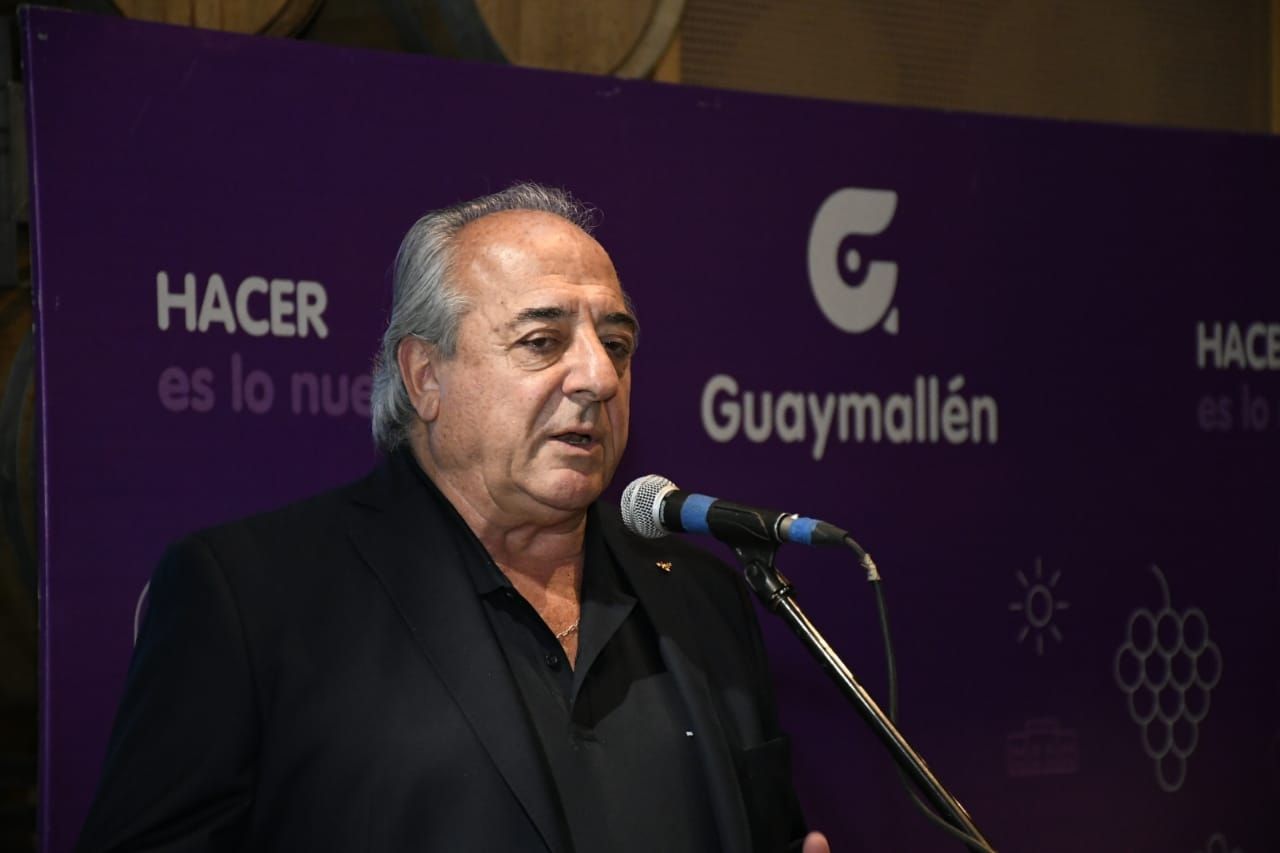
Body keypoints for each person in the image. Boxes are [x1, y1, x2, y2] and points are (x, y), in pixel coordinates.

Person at [77, 183, 829, 852]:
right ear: (425, 376)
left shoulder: (703, 597)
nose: (600, 376)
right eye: (542, 341)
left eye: (617, 344)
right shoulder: (253, 595)